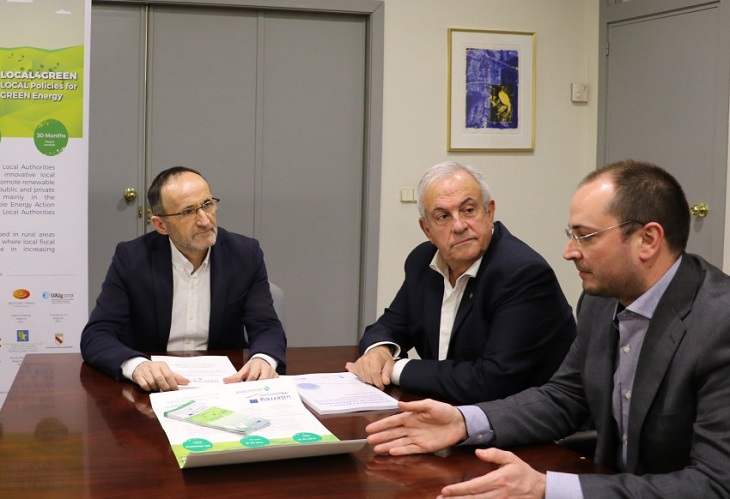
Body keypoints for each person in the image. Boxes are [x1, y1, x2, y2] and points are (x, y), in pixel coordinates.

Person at [365, 160, 730, 498]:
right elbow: (563, 397)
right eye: (571, 234)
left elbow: (715, 484)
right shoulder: (600, 302)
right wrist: (464, 422)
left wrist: (547, 487)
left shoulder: (719, 324)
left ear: (647, 240)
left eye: (586, 236)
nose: (569, 251)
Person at [345, 161, 576, 404]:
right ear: (426, 229)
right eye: (443, 216)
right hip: (450, 410)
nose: (458, 225)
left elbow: (491, 381)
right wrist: (379, 351)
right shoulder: (422, 262)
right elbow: (390, 325)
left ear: (489, 212)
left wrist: (395, 368)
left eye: (468, 210)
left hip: (524, 420)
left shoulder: (523, 274)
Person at [81, 166, 287, 392]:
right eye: (188, 212)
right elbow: (97, 335)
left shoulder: (245, 254)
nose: (205, 220)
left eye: (207, 204)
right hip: (154, 389)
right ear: (161, 225)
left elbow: (266, 327)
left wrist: (263, 359)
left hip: (225, 385)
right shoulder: (132, 259)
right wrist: (137, 366)